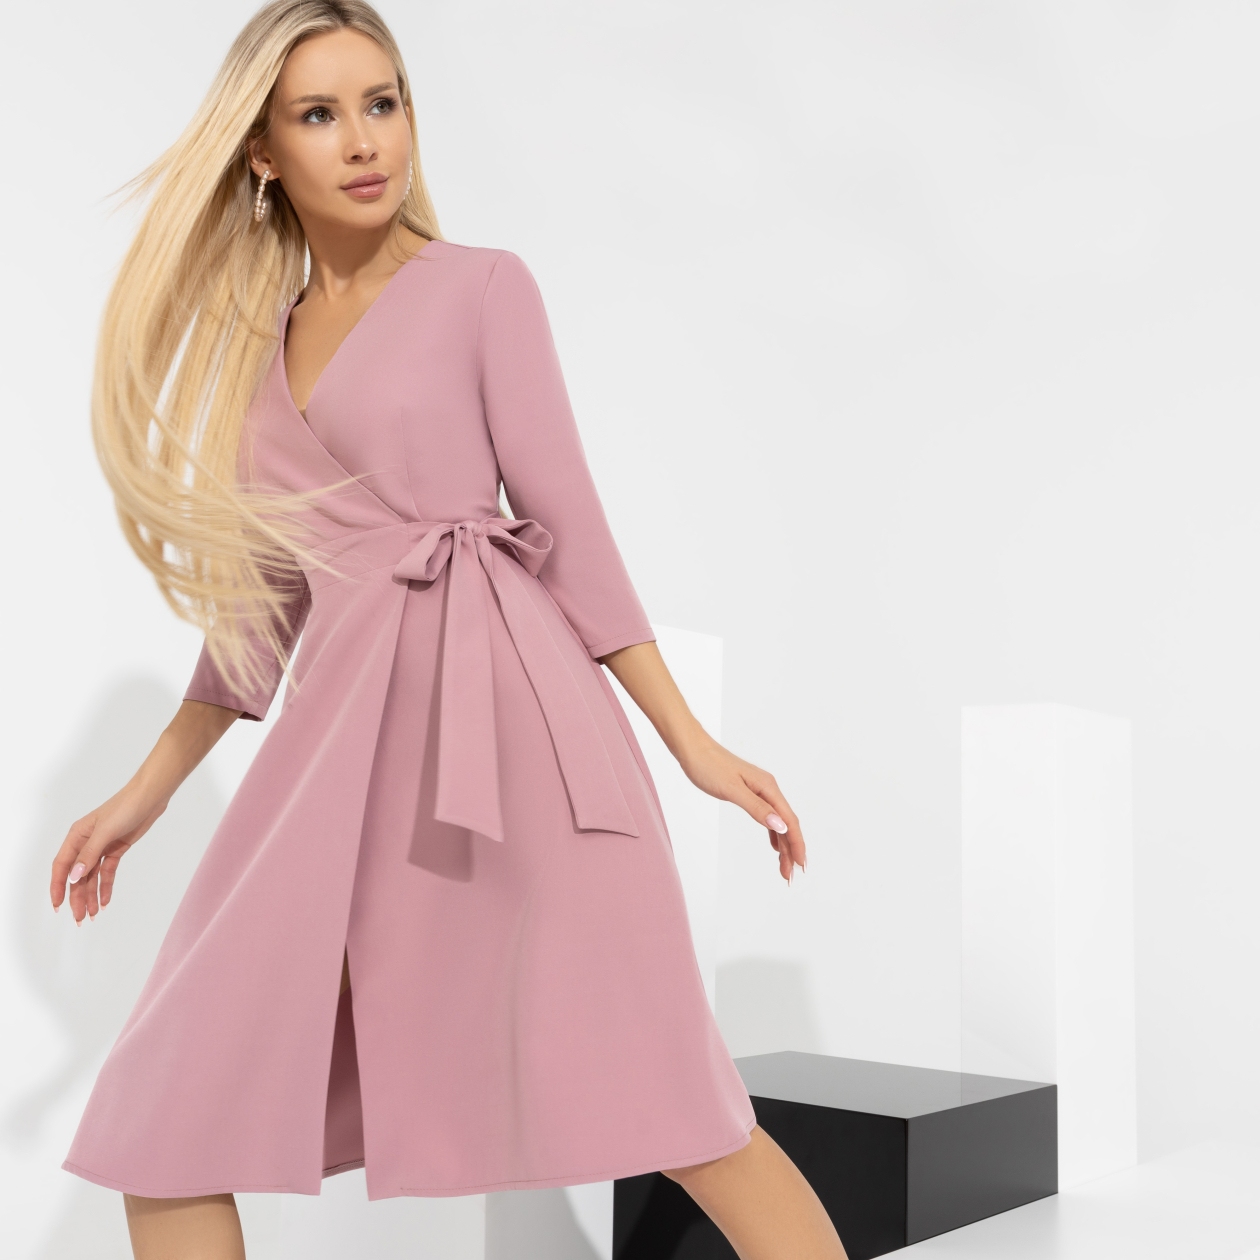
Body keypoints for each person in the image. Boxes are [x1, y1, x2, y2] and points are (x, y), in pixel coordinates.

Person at [50, 3, 846, 1257]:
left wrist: (691, 743)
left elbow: (570, 528)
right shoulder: (256, 354)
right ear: (263, 153)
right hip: (342, 766)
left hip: (511, 736)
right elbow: (258, 617)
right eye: (321, 115)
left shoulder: (481, 287)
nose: (366, 140)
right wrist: (140, 797)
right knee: (166, 1118)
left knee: (682, 1110)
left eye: (384, 102)